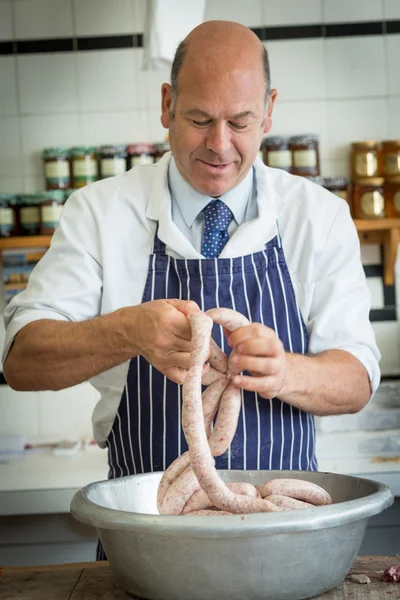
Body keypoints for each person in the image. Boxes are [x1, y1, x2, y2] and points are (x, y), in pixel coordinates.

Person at [3, 21, 379, 523]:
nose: (219, 145)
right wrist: (128, 331)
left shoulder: (319, 216)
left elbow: (357, 377)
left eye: (241, 122)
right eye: (200, 119)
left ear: (269, 111)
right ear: (167, 105)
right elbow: (21, 360)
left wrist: (286, 371)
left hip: (284, 535)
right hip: (147, 538)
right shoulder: (98, 213)